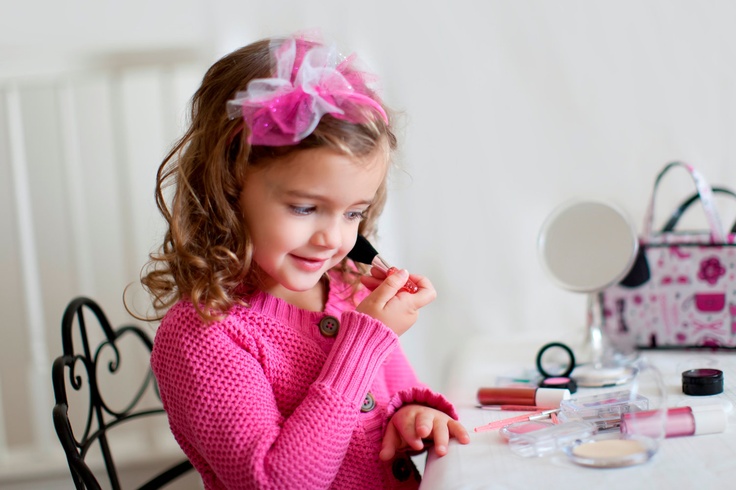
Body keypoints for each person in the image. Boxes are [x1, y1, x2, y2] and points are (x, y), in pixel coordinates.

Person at [143, 32, 469, 489]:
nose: (332, 239)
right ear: (228, 187)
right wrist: (363, 342)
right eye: (304, 208)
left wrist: (414, 415)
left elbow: (396, 397)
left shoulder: (347, 287)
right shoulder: (205, 334)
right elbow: (276, 482)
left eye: (353, 213)